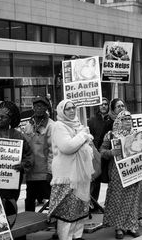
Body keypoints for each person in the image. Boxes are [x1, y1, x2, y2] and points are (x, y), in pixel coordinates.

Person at [100, 110, 142, 239]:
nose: (128, 121)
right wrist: (111, 152)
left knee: (134, 199)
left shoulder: (138, 134)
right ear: (119, 121)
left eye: (130, 118)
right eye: (125, 119)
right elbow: (102, 151)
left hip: (135, 171)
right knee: (118, 199)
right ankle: (119, 227)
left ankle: (131, 226)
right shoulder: (111, 135)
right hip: (118, 172)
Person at [48, 99, 95, 240]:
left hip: (82, 173)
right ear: (61, 111)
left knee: (80, 206)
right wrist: (83, 136)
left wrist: (83, 138)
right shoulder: (58, 126)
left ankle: (77, 235)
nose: (72, 111)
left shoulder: (78, 125)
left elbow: (87, 147)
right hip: (66, 175)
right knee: (67, 209)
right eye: (67, 108)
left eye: (73, 107)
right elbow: (67, 147)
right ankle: (65, 237)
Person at [0, 101, 33, 216]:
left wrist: (22, 165)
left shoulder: (18, 136)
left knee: (9, 209)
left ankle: (13, 232)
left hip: (10, 184)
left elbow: (29, 155)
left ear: (10, 119)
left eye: (3, 117)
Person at [23, 96, 54, 211]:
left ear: (46, 108)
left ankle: (53, 221)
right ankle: (28, 222)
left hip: (45, 172)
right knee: (29, 199)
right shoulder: (28, 125)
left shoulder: (51, 125)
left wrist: (50, 171)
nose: (38, 108)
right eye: (36, 106)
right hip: (31, 171)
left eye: (41, 106)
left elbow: (52, 151)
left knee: (51, 199)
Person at [88, 97, 113, 212]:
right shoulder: (92, 120)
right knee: (95, 179)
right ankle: (93, 204)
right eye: (101, 104)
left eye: (106, 104)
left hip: (107, 154)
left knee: (108, 178)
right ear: (98, 106)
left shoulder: (111, 120)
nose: (103, 106)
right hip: (95, 153)